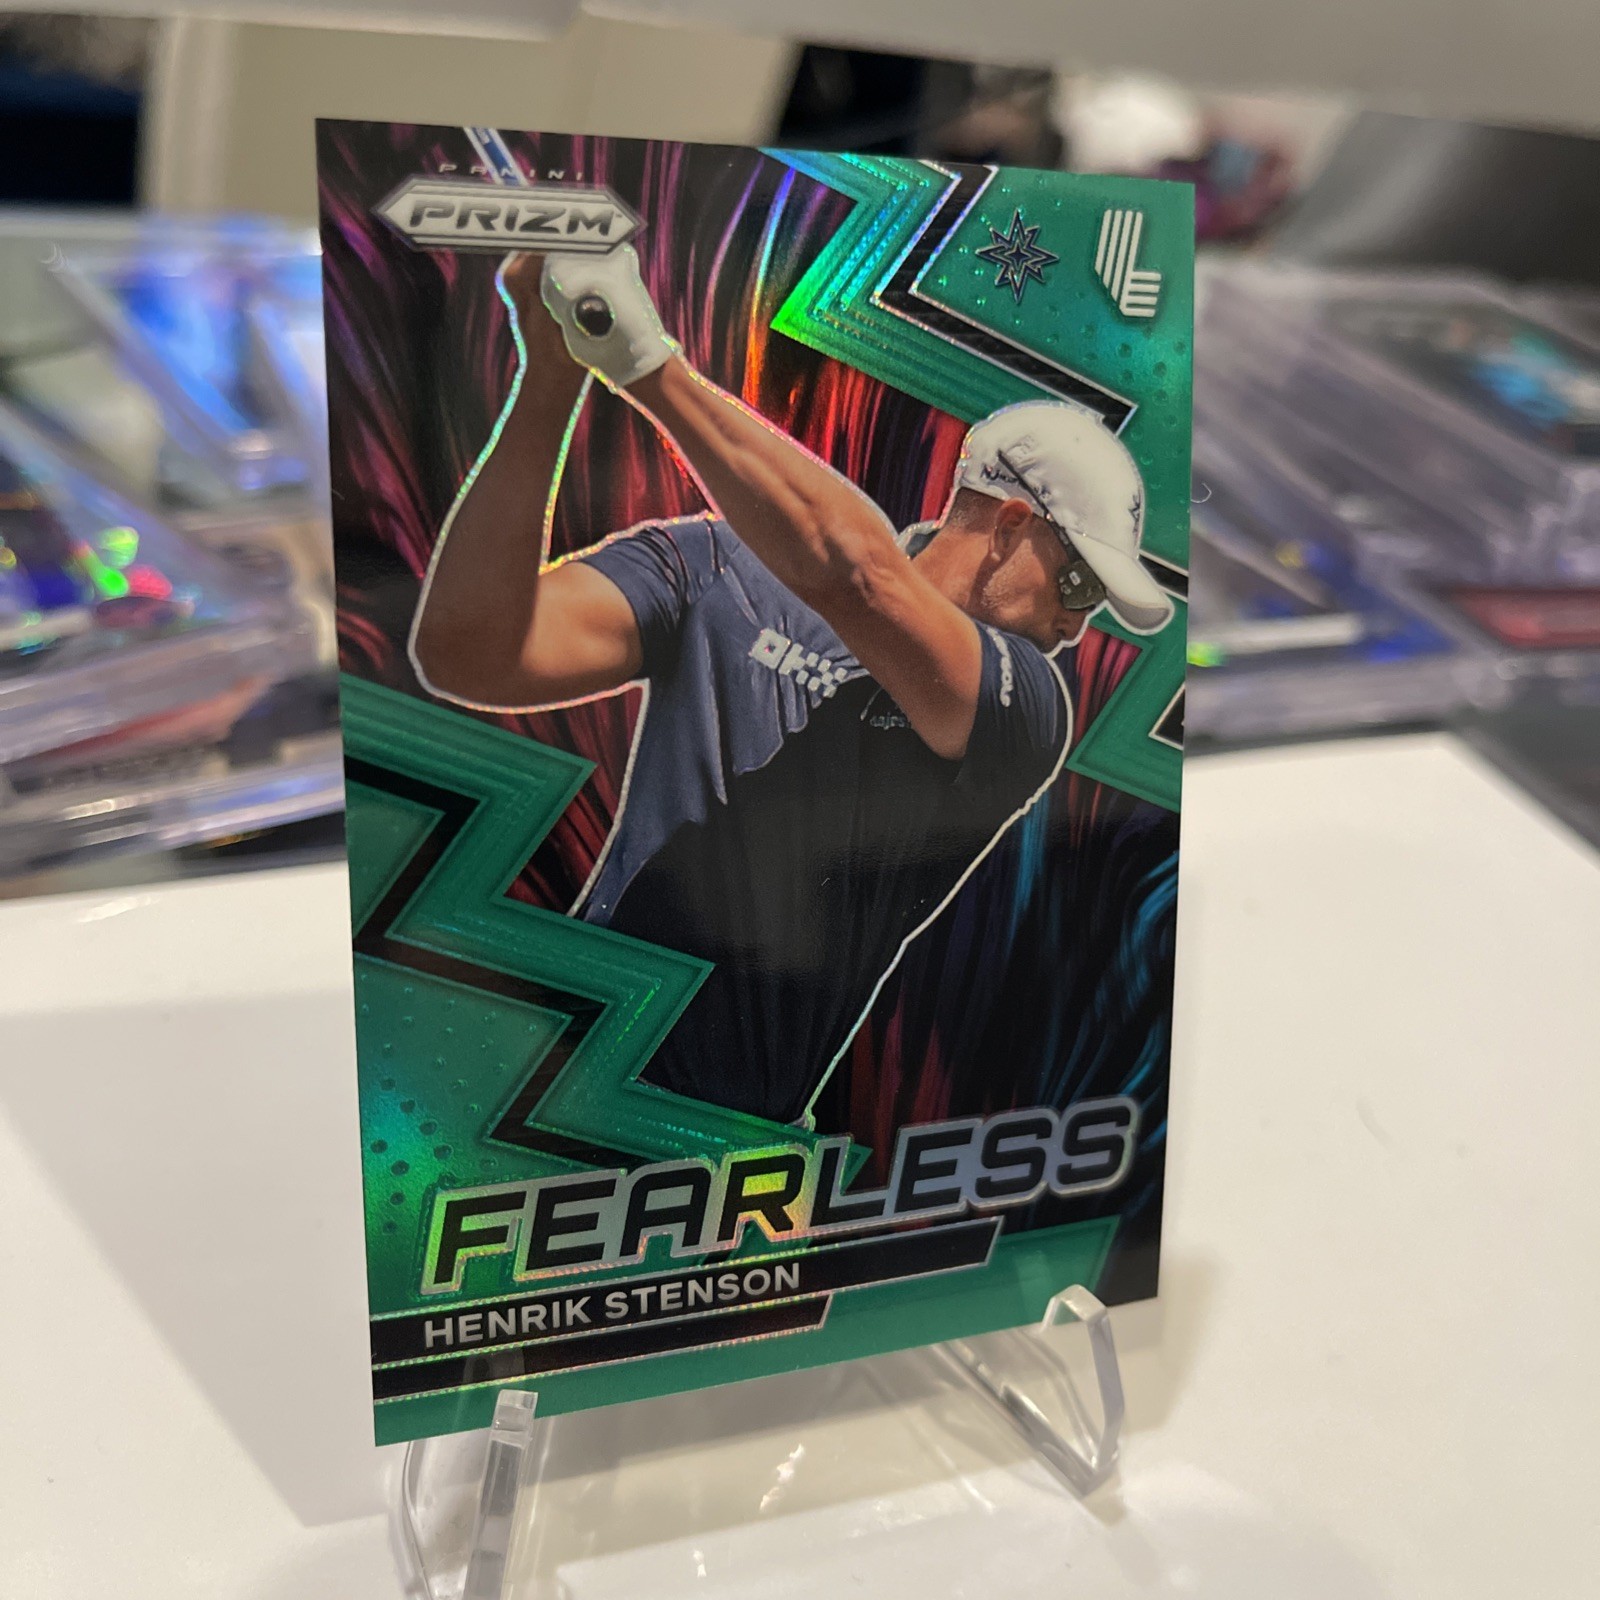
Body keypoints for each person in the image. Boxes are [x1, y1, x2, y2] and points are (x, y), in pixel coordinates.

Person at [411, 245, 1173, 1126]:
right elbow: (469, 653)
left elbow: (860, 580)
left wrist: (644, 363)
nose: (1077, 623)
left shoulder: (1026, 704)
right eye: (1077, 582)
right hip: (549, 1067)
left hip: (718, 1140)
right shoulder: (720, 564)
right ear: (1008, 525)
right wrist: (551, 377)